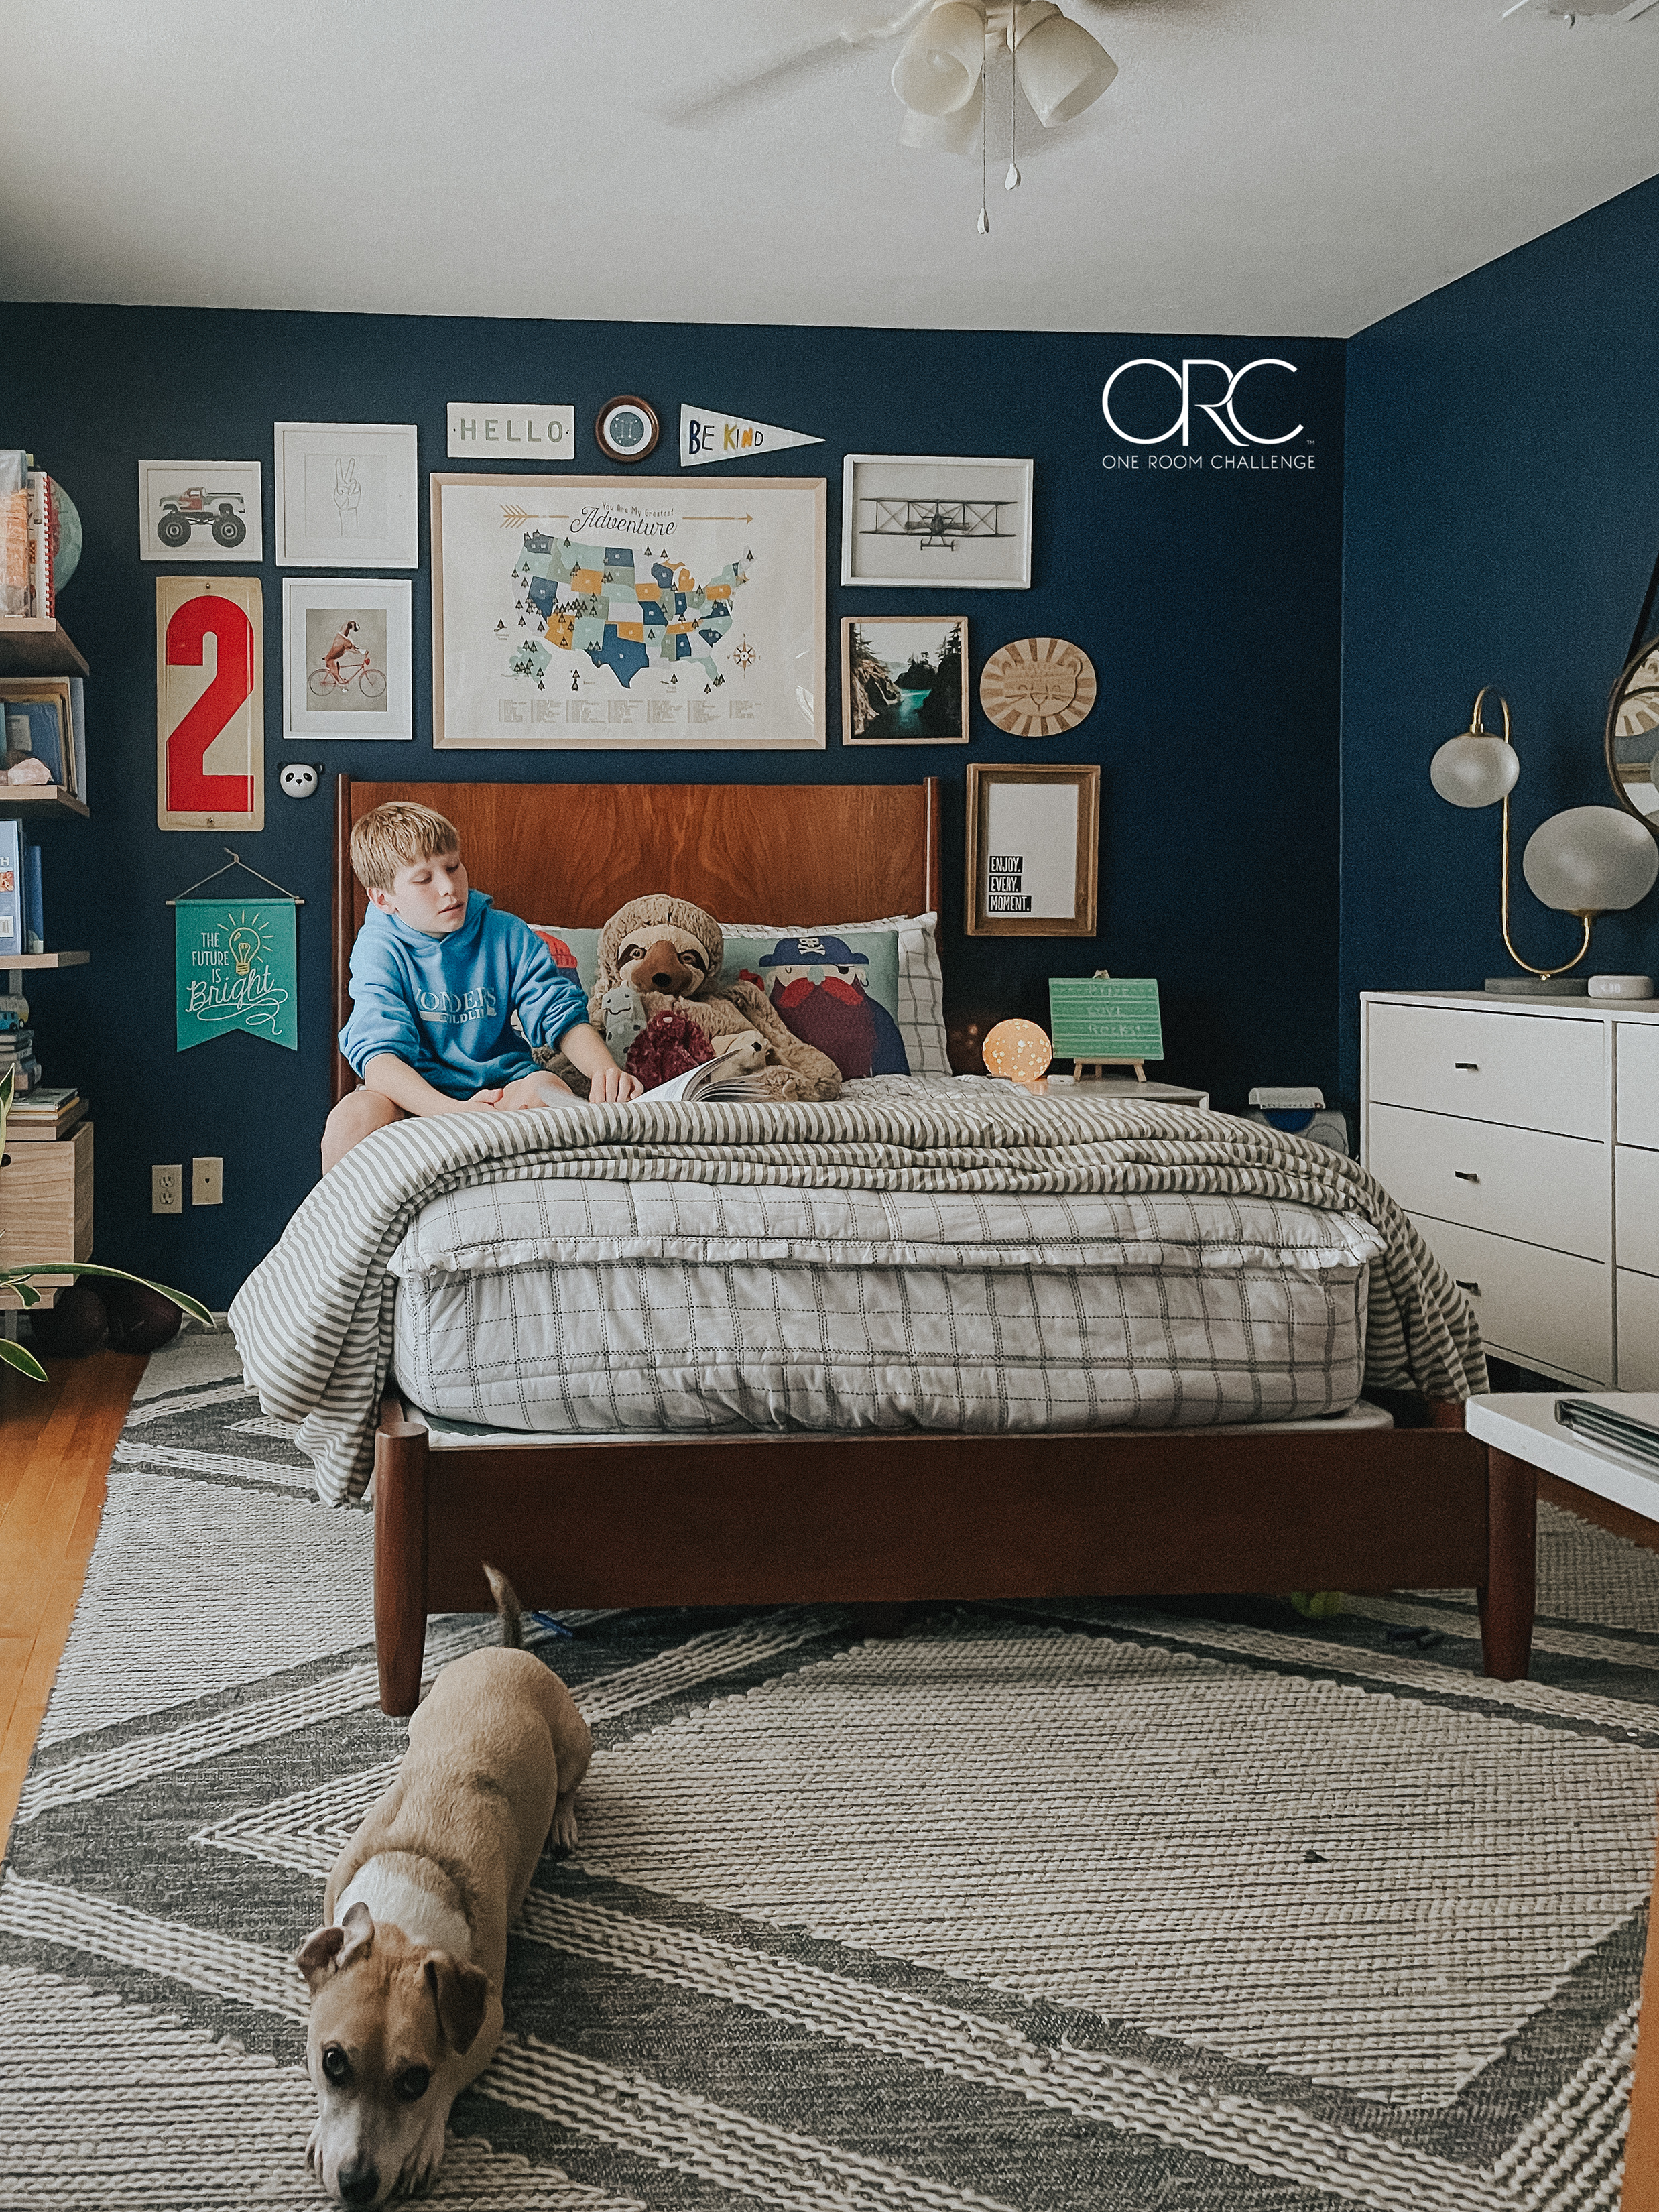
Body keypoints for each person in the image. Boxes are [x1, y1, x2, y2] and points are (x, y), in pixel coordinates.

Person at [322, 800, 641, 1172]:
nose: (448, 887)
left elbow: (559, 1014)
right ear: (383, 899)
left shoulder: (506, 933)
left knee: (546, 1089)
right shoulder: (378, 947)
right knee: (352, 1116)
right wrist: (456, 1113)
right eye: (424, 879)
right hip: (417, 1098)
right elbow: (380, 1062)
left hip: (503, 1088)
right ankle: (341, 1230)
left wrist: (606, 1073)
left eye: (453, 867)